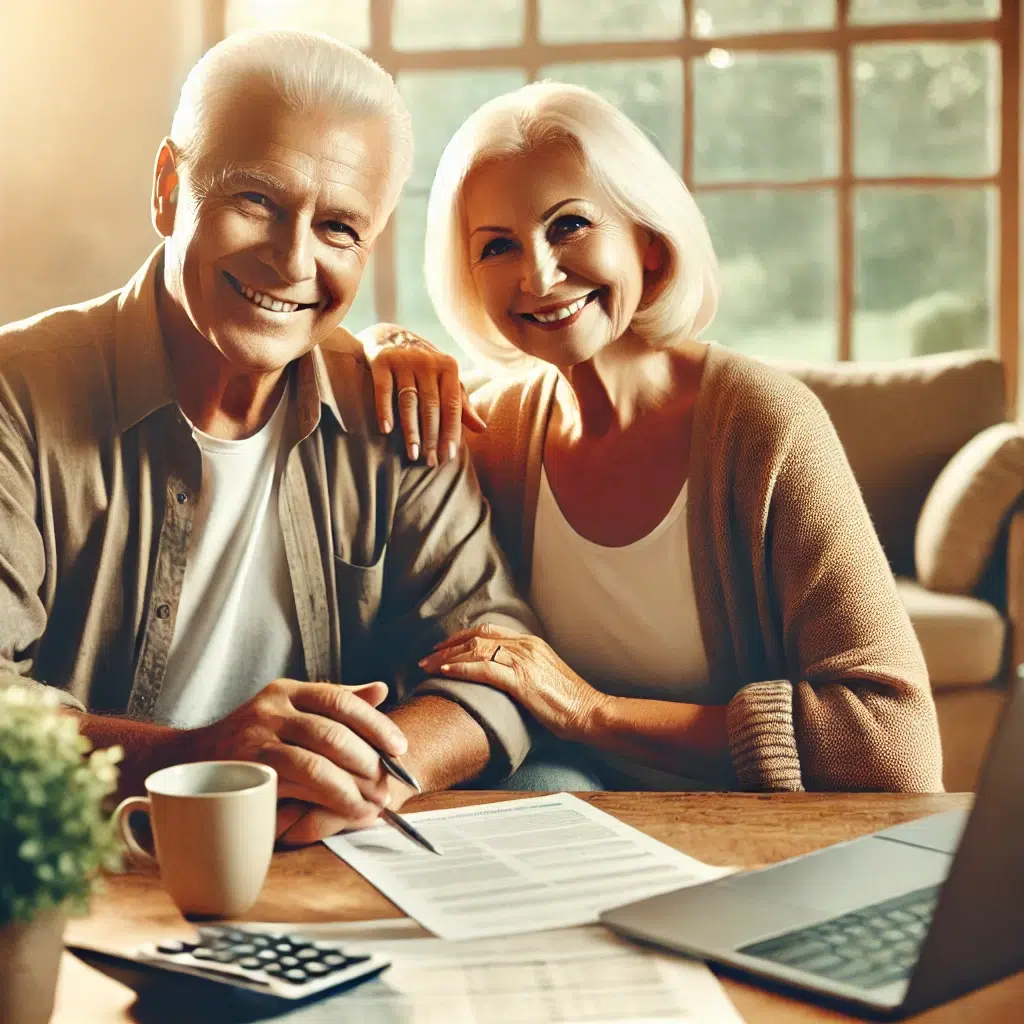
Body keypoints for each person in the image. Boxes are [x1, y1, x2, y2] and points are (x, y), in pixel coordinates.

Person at [0, 30, 541, 848]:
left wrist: (371, 773)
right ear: (167, 187)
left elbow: (496, 660)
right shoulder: (16, 393)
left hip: (313, 850)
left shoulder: (395, 409)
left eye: (338, 228)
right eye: (256, 200)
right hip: (75, 860)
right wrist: (196, 763)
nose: (293, 260)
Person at [360, 82, 944, 793]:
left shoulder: (765, 426)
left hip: (749, 825)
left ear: (651, 247)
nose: (539, 274)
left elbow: (891, 743)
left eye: (569, 225)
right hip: (575, 806)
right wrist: (375, 345)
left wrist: (594, 712)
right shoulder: (496, 434)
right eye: (498, 246)